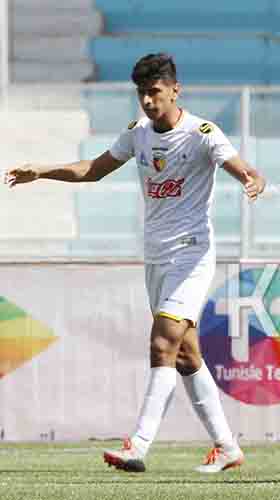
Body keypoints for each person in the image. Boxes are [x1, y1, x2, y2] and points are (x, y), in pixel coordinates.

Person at [4, 53, 265, 473]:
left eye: (154, 92)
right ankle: (227, 447)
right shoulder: (138, 134)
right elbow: (93, 169)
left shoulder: (202, 133)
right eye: (141, 93)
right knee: (185, 354)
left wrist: (252, 180)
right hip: (157, 256)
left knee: (162, 342)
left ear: (175, 90)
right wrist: (43, 171)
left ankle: (138, 445)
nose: (147, 101)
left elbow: (242, 168)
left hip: (192, 252)